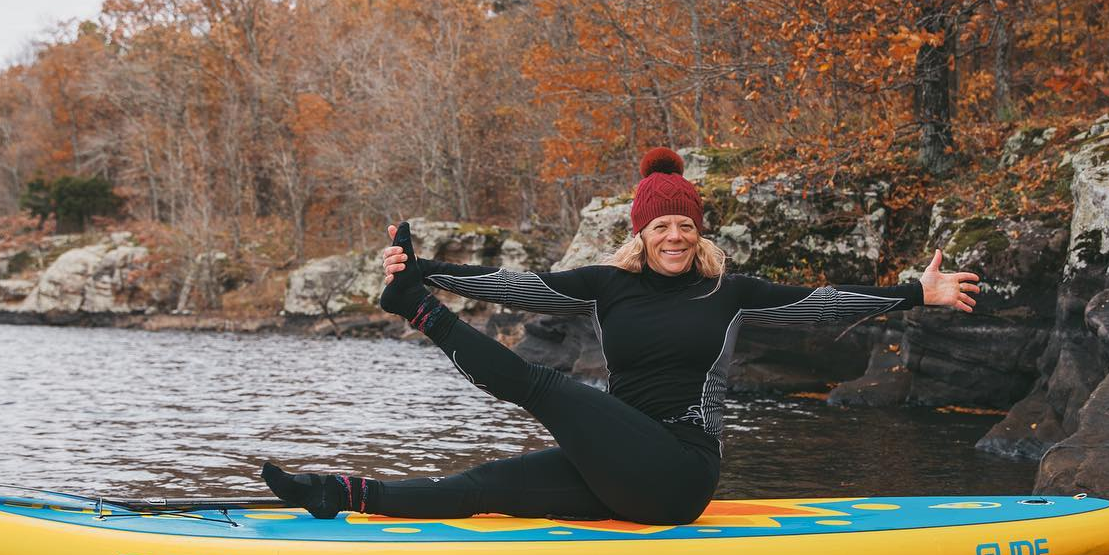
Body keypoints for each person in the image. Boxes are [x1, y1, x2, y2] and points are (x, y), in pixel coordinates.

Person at [261, 148, 979, 525]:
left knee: (546, 388)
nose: (674, 235)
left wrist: (916, 291)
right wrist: (426, 267)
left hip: (678, 473)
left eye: (685, 225)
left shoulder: (731, 294)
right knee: (483, 485)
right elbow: (518, 285)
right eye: (661, 225)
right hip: (615, 459)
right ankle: (341, 493)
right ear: (641, 232)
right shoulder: (608, 286)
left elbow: (823, 304)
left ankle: (416, 312)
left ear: (700, 234)